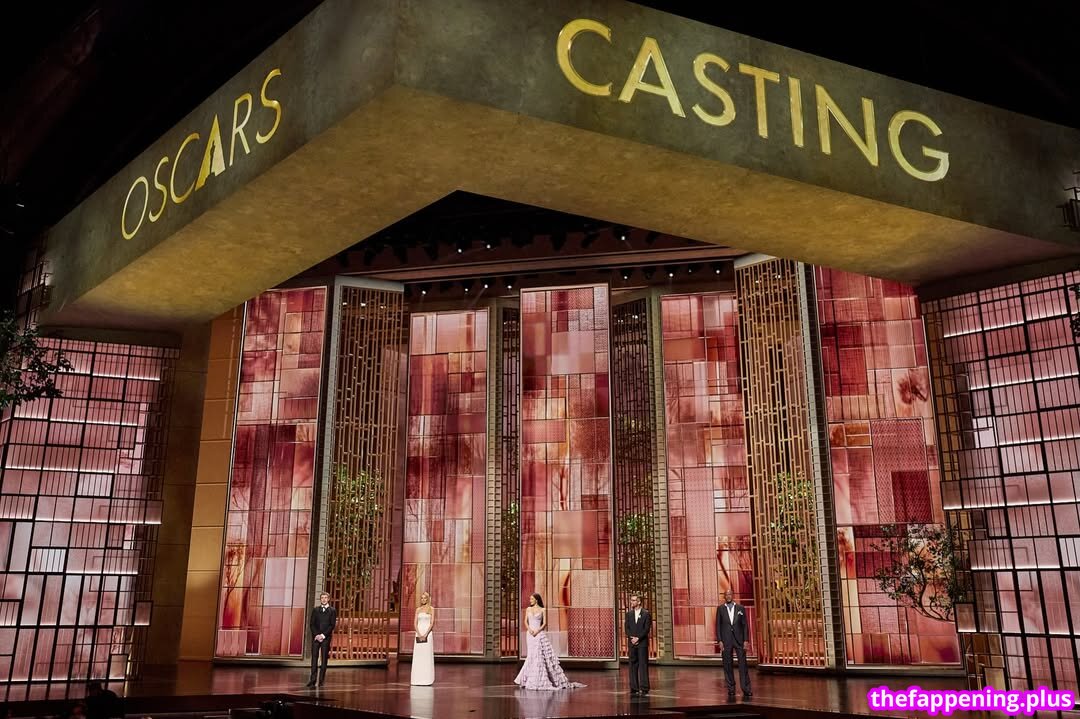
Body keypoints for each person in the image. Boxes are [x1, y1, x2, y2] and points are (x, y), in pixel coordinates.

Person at [514, 593, 585, 690]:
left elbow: (544, 623)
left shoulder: (543, 610)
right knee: (531, 655)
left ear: (536, 600)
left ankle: (539, 680)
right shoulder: (528, 609)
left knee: (538, 655)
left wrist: (537, 631)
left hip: (538, 633)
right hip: (530, 634)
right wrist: (529, 630)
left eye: (532, 599)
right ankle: (527, 680)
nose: (530, 600)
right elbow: (525, 621)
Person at [715, 589, 752, 698]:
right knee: (727, 664)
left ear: (733, 596)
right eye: (726, 595)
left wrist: (746, 640)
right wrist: (720, 640)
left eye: (730, 594)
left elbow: (745, 625)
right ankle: (731, 688)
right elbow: (718, 626)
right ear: (724, 596)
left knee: (743, 665)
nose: (728, 596)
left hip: (739, 640)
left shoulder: (740, 608)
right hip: (726, 640)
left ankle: (746, 688)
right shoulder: (720, 609)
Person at [307, 591, 337, 688]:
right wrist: (317, 635)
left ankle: (321, 681)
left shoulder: (332, 610)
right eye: (322, 598)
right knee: (314, 659)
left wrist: (323, 635)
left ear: (328, 599)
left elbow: (332, 625)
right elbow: (312, 624)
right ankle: (312, 680)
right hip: (316, 638)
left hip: (326, 638)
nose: (324, 599)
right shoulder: (316, 610)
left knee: (324, 660)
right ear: (320, 599)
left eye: (325, 598)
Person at [624, 592, 651, 695]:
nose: (631, 602)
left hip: (642, 643)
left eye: (633, 600)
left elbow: (646, 629)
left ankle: (644, 687)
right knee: (632, 665)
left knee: (643, 665)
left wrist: (638, 638)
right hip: (632, 643)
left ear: (639, 602)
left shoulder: (646, 614)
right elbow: (627, 628)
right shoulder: (629, 614)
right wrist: (632, 638)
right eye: (631, 600)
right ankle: (634, 687)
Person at [411, 591, 435, 685]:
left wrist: (426, 634)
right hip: (419, 633)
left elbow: (432, 623)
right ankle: (417, 679)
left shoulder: (431, 609)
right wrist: (419, 633)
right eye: (422, 598)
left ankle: (427, 678)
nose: (423, 599)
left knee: (426, 655)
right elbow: (415, 623)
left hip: (427, 634)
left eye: (425, 598)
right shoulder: (418, 609)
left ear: (428, 599)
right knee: (419, 655)